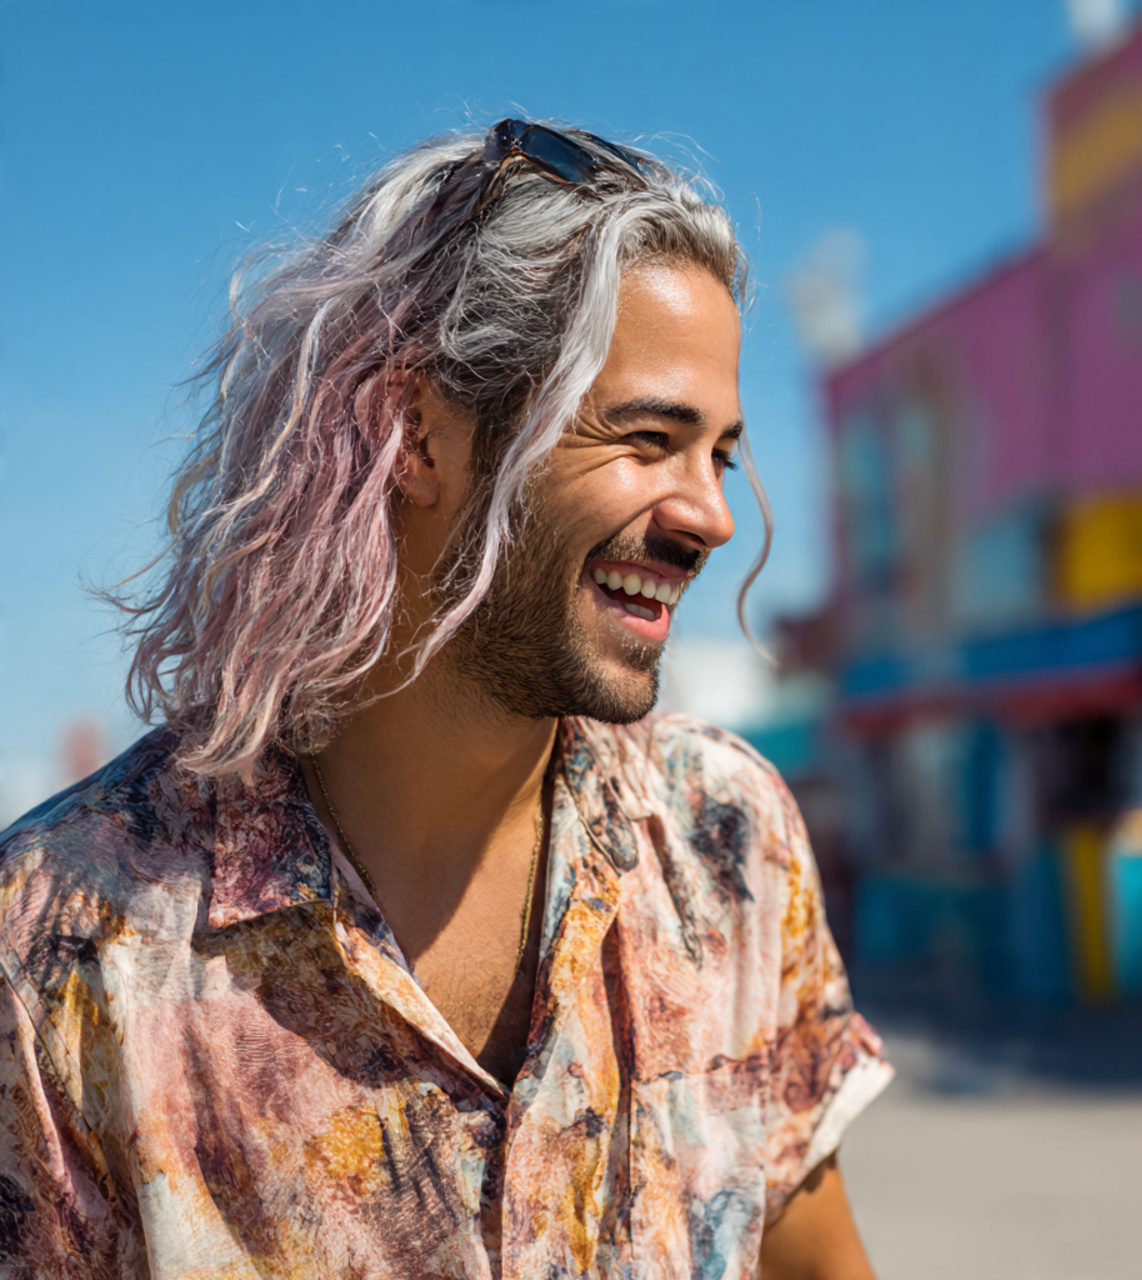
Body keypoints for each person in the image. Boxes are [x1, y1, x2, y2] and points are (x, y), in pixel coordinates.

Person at [0, 119, 890, 1278]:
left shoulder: (724, 837)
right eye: (646, 437)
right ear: (417, 433)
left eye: (717, 454)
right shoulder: (61, 954)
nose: (710, 515)